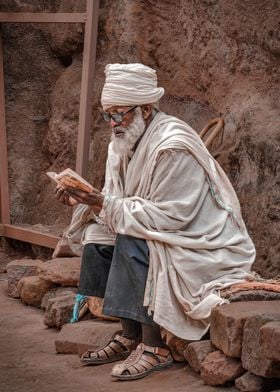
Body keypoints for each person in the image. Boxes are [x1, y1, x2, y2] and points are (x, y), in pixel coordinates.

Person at [55, 63, 255, 381]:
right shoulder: (119, 144)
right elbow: (114, 201)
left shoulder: (172, 146)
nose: (113, 123)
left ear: (146, 109)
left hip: (201, 241)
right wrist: (85, 201)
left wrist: (102, 202)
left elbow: (170, 217)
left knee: (133, 239)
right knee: (97, 235)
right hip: (162, 228)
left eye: (120, 113)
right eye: (108, 115)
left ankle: (155, 348)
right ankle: (129, 335)